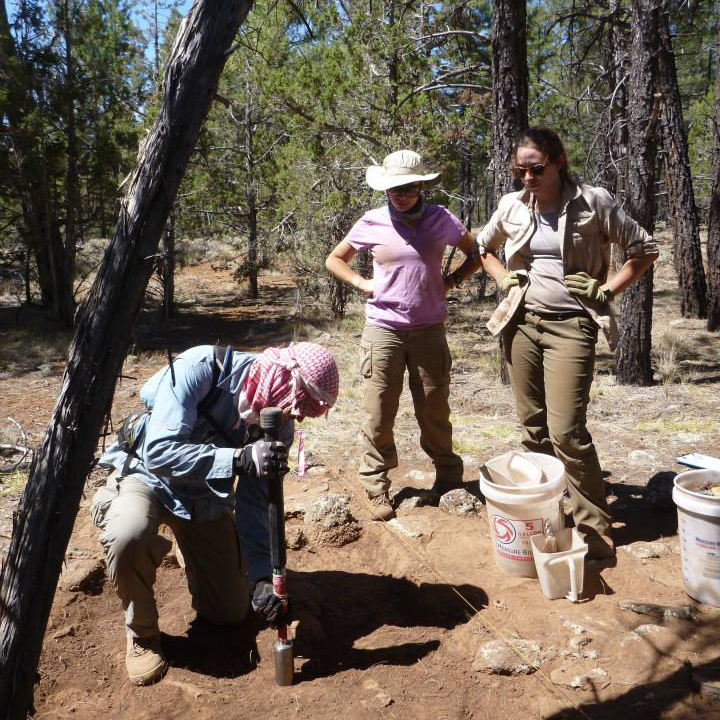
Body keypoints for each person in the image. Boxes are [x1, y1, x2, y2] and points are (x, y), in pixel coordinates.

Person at [91, 342, 338, 686]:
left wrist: (261, 578)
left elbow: (256, 503)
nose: (295, 416)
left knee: (230, 613)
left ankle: (192, 551)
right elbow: (159, 452)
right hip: (146, 477)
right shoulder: (200, 368)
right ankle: (142, 633)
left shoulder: (276, 424)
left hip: (203, 498)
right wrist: (238, 459)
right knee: (128, 533)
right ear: (285, 378)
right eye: (299, 404)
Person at [476, 126, 658, 559]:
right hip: (521, 323)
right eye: (520, 170)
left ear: (558, 162)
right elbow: (483, 247)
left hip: (573, 325)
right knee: (533, 427)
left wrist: (607, 289)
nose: (528, 177)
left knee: (567, 431)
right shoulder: (512, 205)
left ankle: (594, 527)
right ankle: (547, 513)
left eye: (537, 169)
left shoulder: (593, 202)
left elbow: (644, 248)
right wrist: (501, 276)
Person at [325, 149, 481, 521]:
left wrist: (452, 280)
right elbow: (334, 259)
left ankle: (448, 478)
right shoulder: (372, 221)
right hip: (383, 330)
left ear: (422, 186)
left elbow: (476, 253)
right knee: (379, 411)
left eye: (409, 188)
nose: (402, 195)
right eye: (395, 189)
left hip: (428, 329)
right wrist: (361, 283)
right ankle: (376, 486)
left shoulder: (442, 218)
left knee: (434, 408)